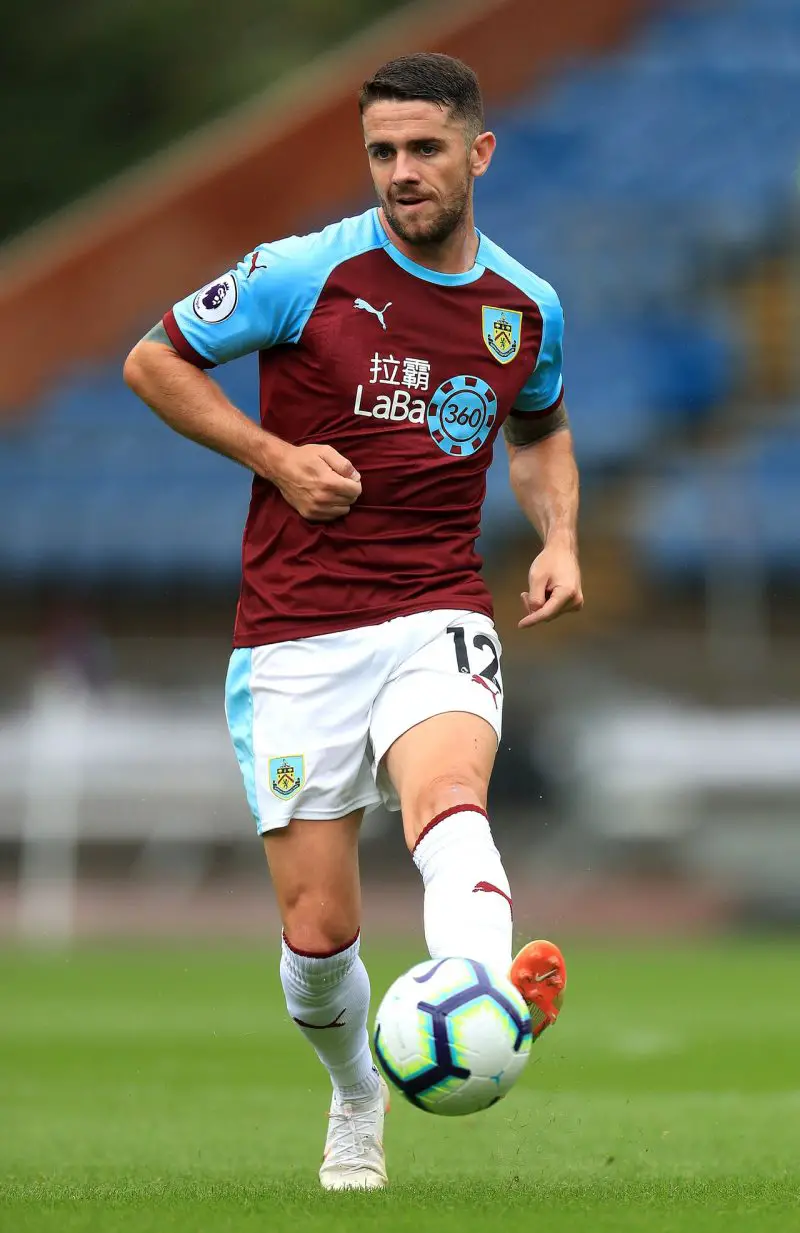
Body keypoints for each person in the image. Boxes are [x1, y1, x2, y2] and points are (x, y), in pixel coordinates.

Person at [123, 51, 582, 1191]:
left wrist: (560, 538)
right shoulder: (303, 271)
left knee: (449, 799)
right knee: (319, 934)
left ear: (479, 153)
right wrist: (276, 457)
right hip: (296, 633)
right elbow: (152, 360)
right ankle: (356, 1091)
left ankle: (485, 996)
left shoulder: (524, 308)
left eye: (425, 148)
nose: (401, 171)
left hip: (437, 606)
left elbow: (538, 431)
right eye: (383, 151)